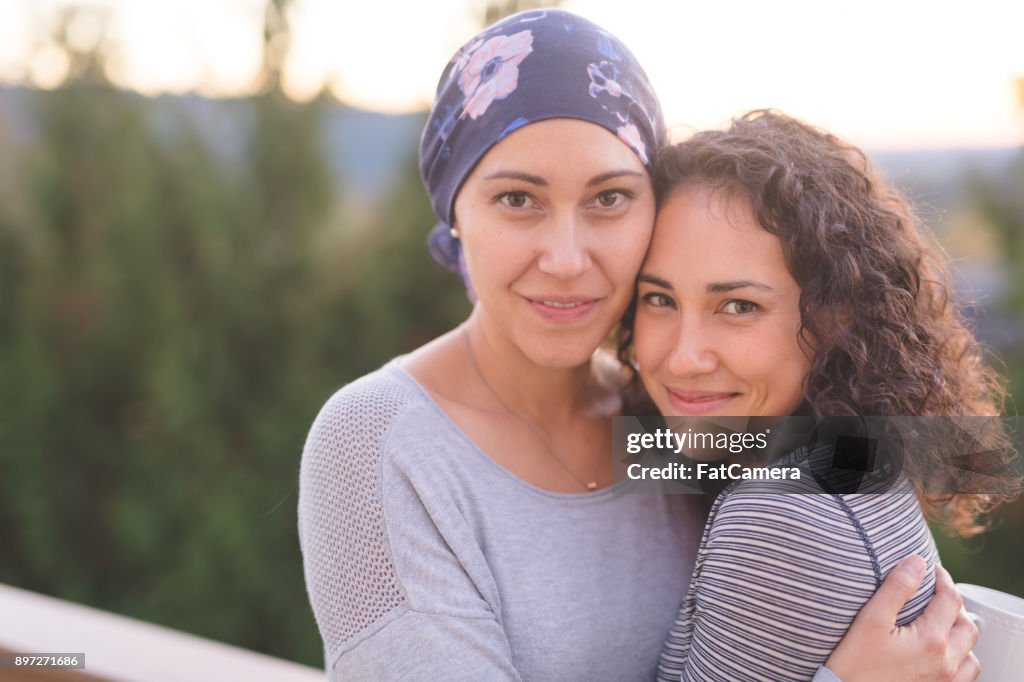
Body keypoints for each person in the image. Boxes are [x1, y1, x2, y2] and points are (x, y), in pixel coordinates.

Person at [298, 11, 979, 681]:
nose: (566, 257)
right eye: (517, 199)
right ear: (456, 213)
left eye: (609, 198)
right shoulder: (378, 442)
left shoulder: (667, 419)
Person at [629, 109, 1020, 681]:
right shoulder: (855, 459)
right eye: (659, 299)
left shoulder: (779, 517)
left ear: (835, 318)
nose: (683, 357)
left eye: (739, 306)